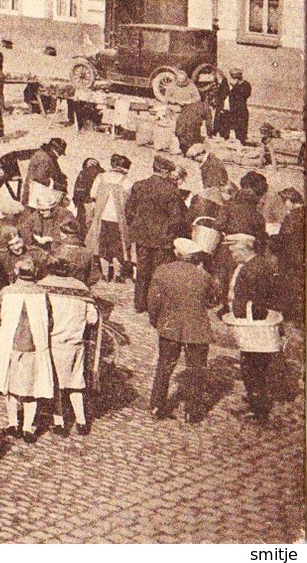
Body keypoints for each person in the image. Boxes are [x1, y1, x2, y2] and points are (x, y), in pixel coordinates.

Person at [147, 237, 218, 422]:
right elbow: (213, 301)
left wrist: (155, 321)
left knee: (164, 366)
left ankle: (156, 406)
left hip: (170, 327)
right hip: (197, 329)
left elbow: (153, 301)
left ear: (176, 253)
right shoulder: (204, 276)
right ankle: (192, 412)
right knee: (196, 370)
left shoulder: (162, 272)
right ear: (194, 257)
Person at [0, 257, 54, 442]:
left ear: (16, 273)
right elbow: (50, 321)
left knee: (10, 387)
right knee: (31, 388)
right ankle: (28, 427)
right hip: (34, 347)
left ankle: (13, 424)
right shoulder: (42, 293)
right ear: (34, 273)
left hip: (11, 345)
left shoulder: (6, 292)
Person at [38, 259, 98, 435]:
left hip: (52, 343)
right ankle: (81, 421)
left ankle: (59, 422)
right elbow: (92, 319)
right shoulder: (81, 287)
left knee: (55, 384)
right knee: (75, 383)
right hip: (75, 344)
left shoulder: (42, 286)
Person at [222, 233, 276, 421]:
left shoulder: (252, 269)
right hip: (255, 322)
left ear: (243, 249)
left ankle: (258, 410)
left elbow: (256, 300)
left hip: (252, 325)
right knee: (255, 366)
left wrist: (241, 314)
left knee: (251, 367)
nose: (232, 255)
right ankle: (256, 402)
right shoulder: (258, 264)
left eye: (234, 251)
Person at [124, 155, 185, 313]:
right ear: (164, 172)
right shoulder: (171, 190)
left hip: (142, 237)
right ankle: (155, 306)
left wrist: (137, 226)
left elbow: (129, 211)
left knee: (142, 270)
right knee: (158, 273)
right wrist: (169, 231)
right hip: (162, 239)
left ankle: (139, 304)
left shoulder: (139, 186)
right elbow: (176, 218)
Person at [86, 153, 132, 282]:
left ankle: (105, 274)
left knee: (103, 247)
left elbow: (93, 194)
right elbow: (130, 200)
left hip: (102, 217)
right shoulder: (126, 181)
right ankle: (117, 275)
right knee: (118, 248)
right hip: (118, 220)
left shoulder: (101, 177)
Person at [276, 189, 305, 324]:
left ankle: (289, 315)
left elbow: (283, 237)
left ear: (290, 201)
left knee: (288, 285)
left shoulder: (292, 217)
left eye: (284, 201)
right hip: (302, 256)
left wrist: (271, 238)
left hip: (290, 256)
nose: (284, 205)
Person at [221, 68, 252, 144]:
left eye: (233, 78)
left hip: (240, 112)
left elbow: (245, 95)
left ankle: (242, 144)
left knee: (241, 134)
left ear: (238, 78)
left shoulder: (246, 85)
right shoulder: (231, 85)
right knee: (225, 130)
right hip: (230, 111)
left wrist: (235, 86)